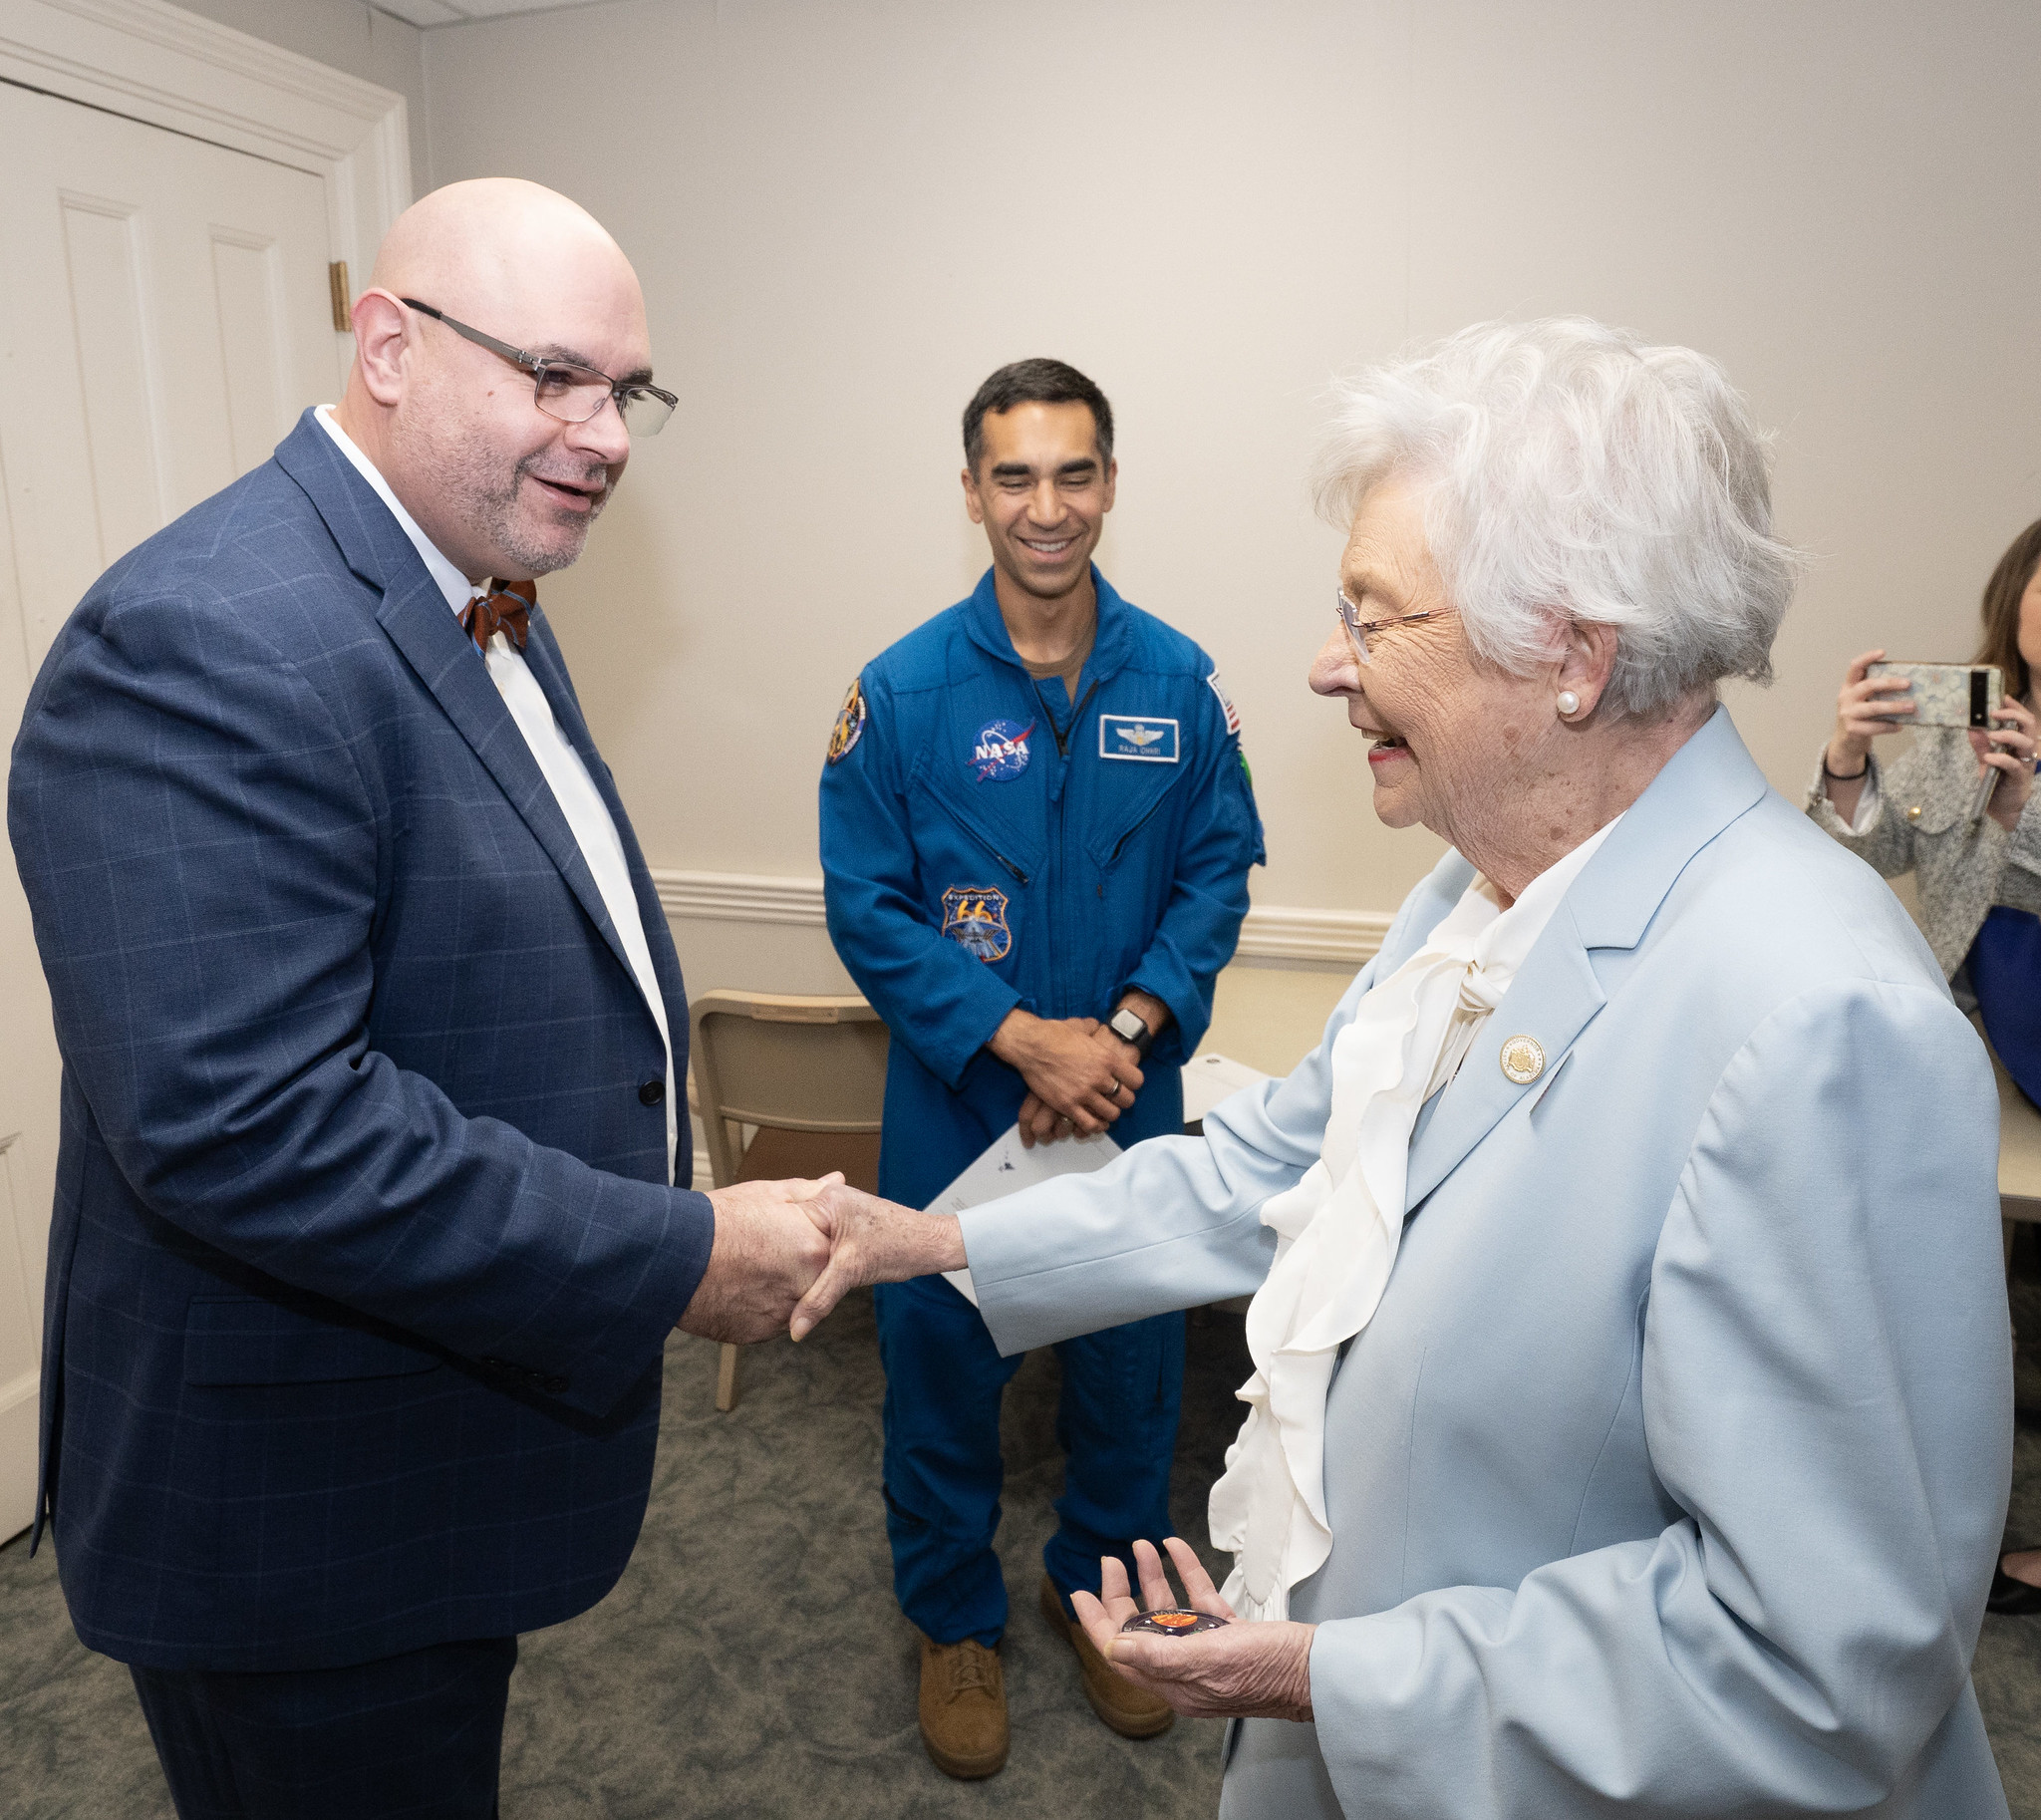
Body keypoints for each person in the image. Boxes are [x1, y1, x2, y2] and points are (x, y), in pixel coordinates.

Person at [793, 319, 2014, 1818]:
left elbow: (1827, 1668)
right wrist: (942, 1239)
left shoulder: (1824, 1022)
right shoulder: (1471, 890)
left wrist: (1319, 1673)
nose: (1328, 664)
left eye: (1375, 617)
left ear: (1569, 654)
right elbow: (1281, 1163)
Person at [6, 179, 832, 1820]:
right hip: (296, 1519)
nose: (603, 435)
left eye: (626, 392)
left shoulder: (470, 578)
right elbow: (255, 1125)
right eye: (552, 376)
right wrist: (671, 1252)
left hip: (426, 1447)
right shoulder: (205, 636)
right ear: (385, 344)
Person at [817, 358, 1264, 1776]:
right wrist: (1017, 1035)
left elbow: (1214, 875)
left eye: (1074, 473)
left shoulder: (1182, 683)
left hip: (1129, 1105)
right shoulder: (899, 694)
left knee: (1131, 1375)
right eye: (1015, 476)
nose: (1047, 506)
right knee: (939, 1368)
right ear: (971, 493)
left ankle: (1107, 1603)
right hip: (964, 1104)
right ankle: (954, 1620)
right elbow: (865, 904)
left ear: (1111, 485)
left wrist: (1127, 1032)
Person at [1807, 517, 2041, 1619]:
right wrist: (1845, 760)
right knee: (1953, 1300)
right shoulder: (1963, 727)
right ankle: (1946, 1524)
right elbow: (1851, 863)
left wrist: (2021, 810)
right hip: (1973, 1045)